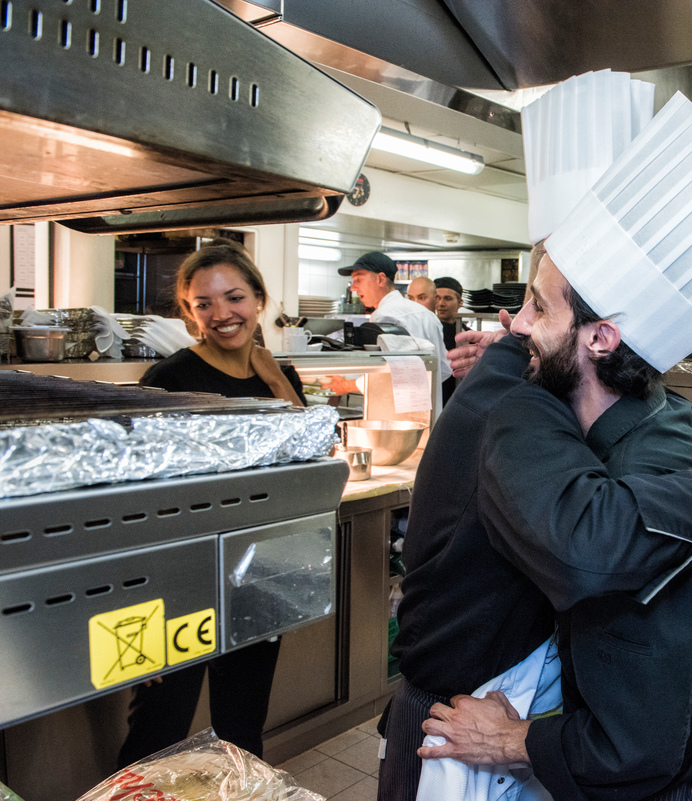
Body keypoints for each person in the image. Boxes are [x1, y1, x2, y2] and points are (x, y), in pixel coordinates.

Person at [380, 246, 692, 801]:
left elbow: (636, 746)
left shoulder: (625, 467)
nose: (516, 325)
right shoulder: (651, 413)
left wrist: (516, 741)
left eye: (538, 305)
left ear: (600, 337)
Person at [118, 239, 305, 766]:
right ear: (189, 313)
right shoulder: (169, 379)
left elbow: (303, 461)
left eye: (235, 297)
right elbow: (139, 495)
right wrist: (141, 602)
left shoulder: (277, 374)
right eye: (204, 303)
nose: (222, 314)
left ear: (259, 299)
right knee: (158, 729)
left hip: (258, 569)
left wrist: (273, 379)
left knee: (243, 725)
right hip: (181, 576)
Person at [328, 253, 450, 407]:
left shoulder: (384, 315)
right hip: (431, 415)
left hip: (396, 418)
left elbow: (386, 375)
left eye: (358, 279)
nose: (353, 287)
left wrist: (346, 386)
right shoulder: (428, 315)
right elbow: (444, 369)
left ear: (380, 279)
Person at [433, 277, 467, 402]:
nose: (441, 303)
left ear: (460, 302)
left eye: (448, 298)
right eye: (437, 298)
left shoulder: (467, 334)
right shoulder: (431, 331)